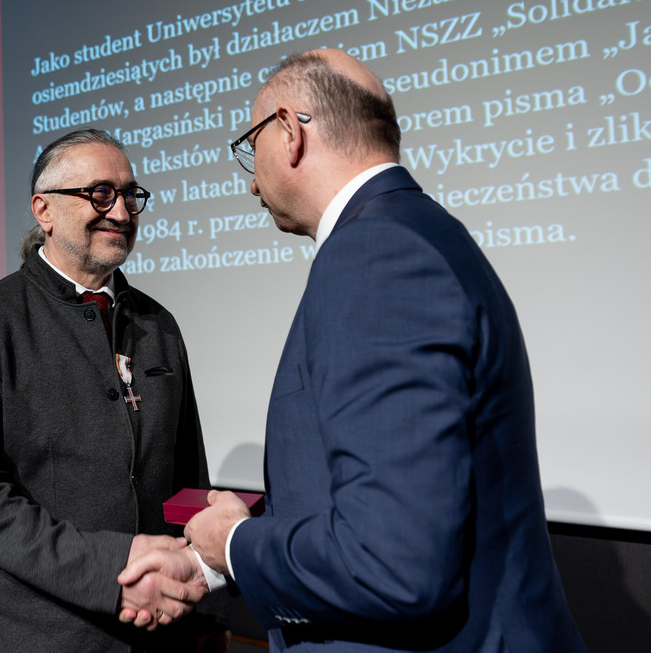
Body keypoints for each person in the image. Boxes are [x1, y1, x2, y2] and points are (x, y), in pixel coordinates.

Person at [122, 50, 587, 651]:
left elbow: (393, 561)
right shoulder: (414, 232)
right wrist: (216, 565)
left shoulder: (376, 256)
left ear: (289, 133)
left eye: (249, 147)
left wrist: (235, 545)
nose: (252, 183)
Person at [0, 129, 226, 652]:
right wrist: (113, 567)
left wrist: (202, 604)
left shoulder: (159, 325)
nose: (122, 212)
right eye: (100, 193)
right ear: (43, 209)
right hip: (31, 632)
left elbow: (186, 478)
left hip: (158, 628)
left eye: (131, 195)